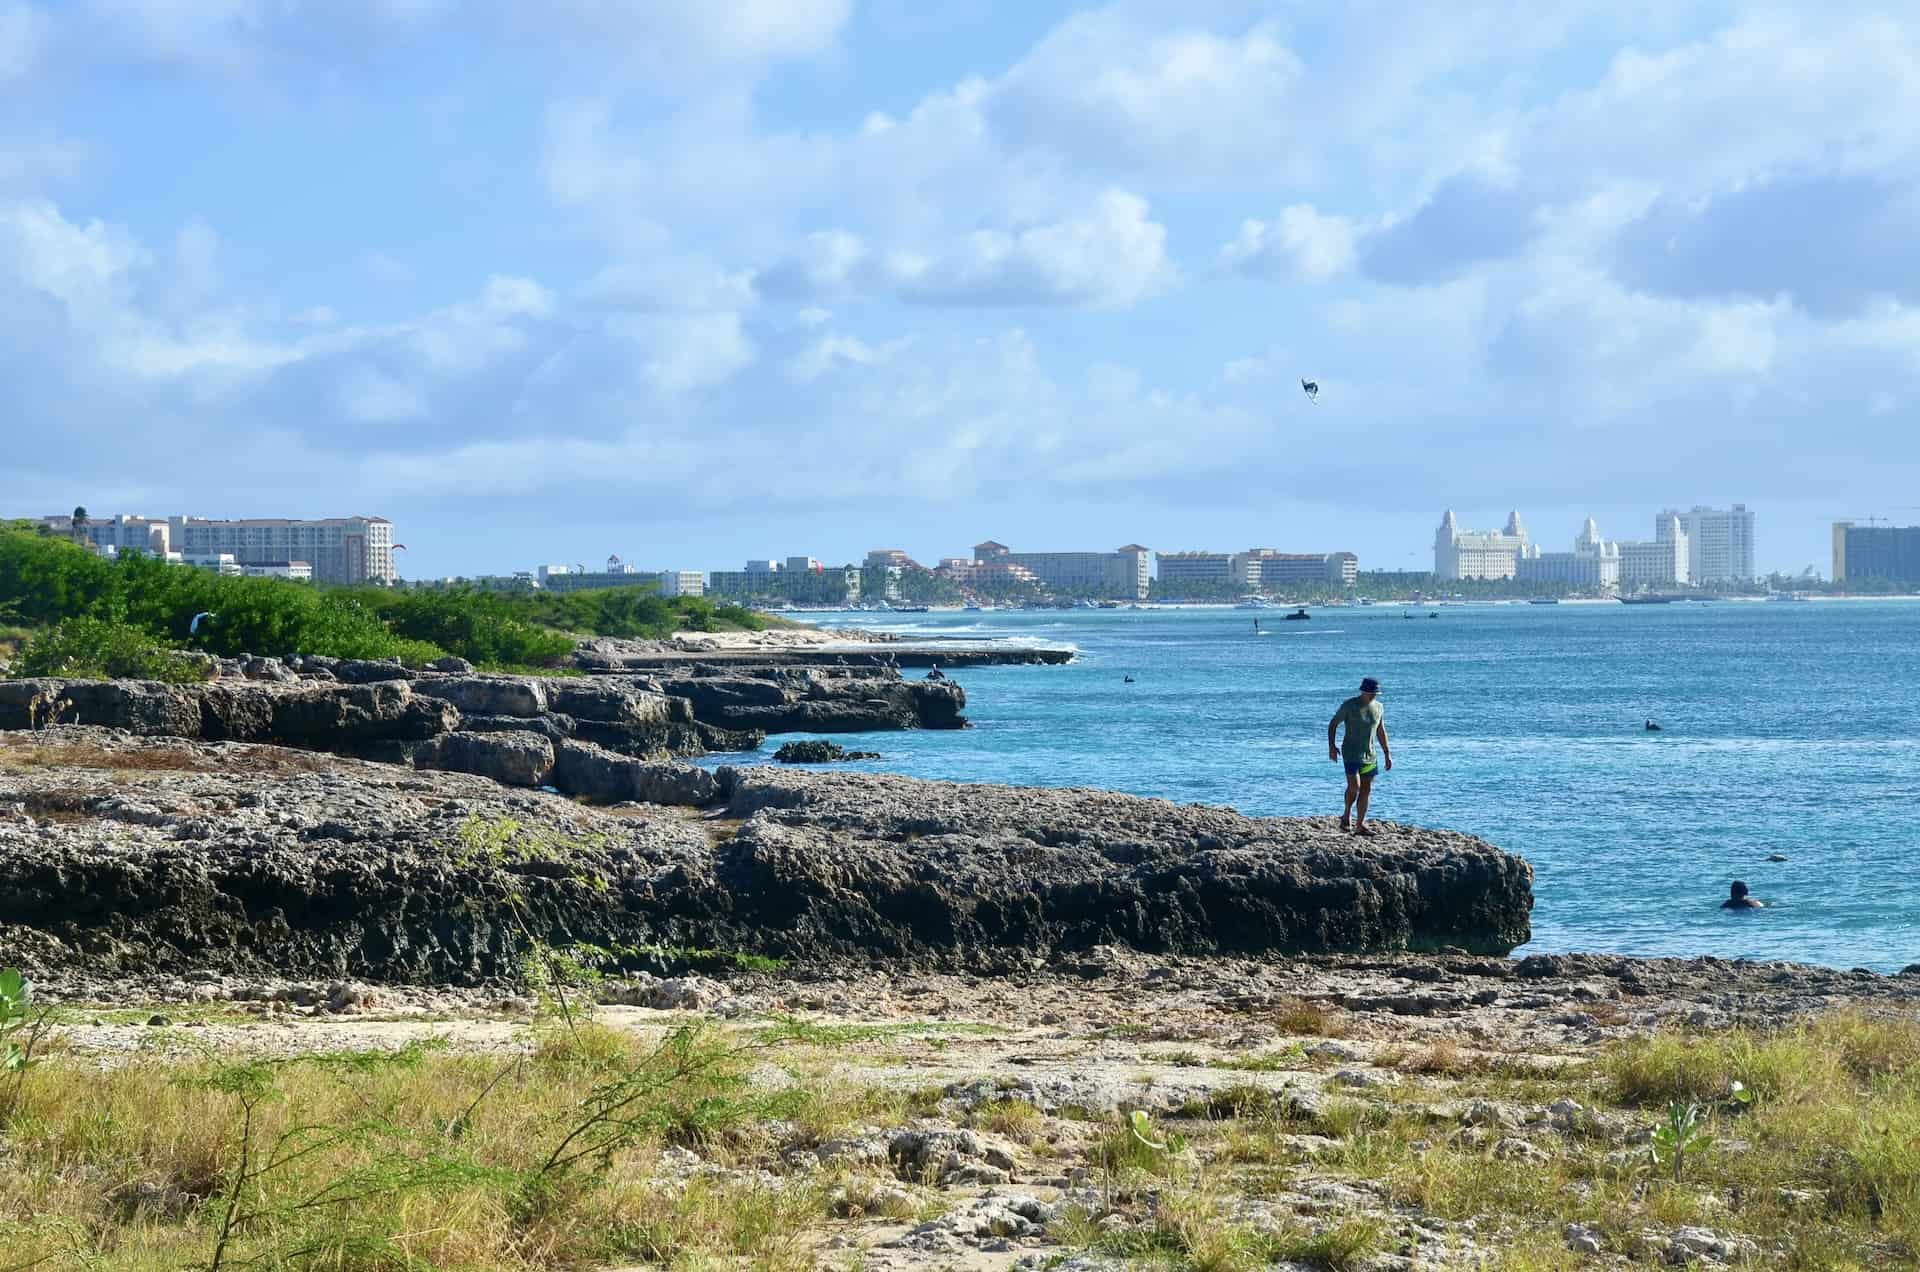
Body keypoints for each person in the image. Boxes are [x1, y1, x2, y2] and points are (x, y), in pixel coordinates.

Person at [1328, 677, 1391, 836]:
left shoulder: (1379, 707)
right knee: (1354, 787)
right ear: (1362, 691)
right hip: (1351, 753)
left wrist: (1387, 753)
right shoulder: (1349, 705)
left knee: (1367, 789)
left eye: (1375, 693)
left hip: (1370, 755)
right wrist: (1332, 746)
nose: (1372, 696)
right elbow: (1334, 723)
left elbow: (1381, 730)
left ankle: (1360, 825)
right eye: (1370, 692)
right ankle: (1347, 813)